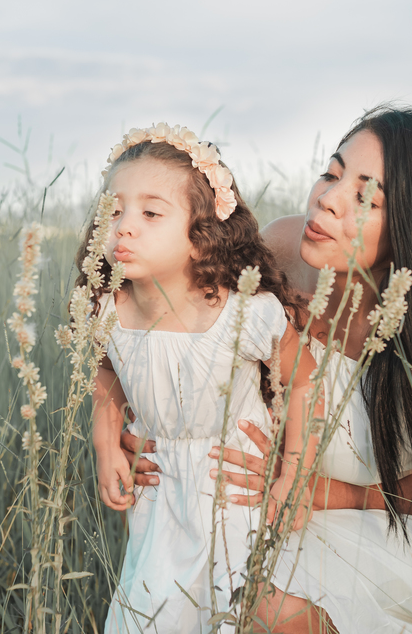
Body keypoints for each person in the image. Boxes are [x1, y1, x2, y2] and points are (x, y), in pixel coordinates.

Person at [122, 106, 412, 633]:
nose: (327, 199)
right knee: (202, 581)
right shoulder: (274, 253)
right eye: (331, 174)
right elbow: (176, 328)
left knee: (257, 606)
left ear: (410, 229)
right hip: (292, 496)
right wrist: (153, 427)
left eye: (364, 197)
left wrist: (333, 494)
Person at [84, 123, 320, 634]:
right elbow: (108, 376)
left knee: (234, 610)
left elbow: (303, 379)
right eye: (114, 209)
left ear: (200, 237)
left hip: (233, 489)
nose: (124, 226)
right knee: (153, 614)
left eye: (150, 213)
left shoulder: (244, 315)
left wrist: (293, 473)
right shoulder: (107, 310)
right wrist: (106, 444)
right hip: (159, 494)